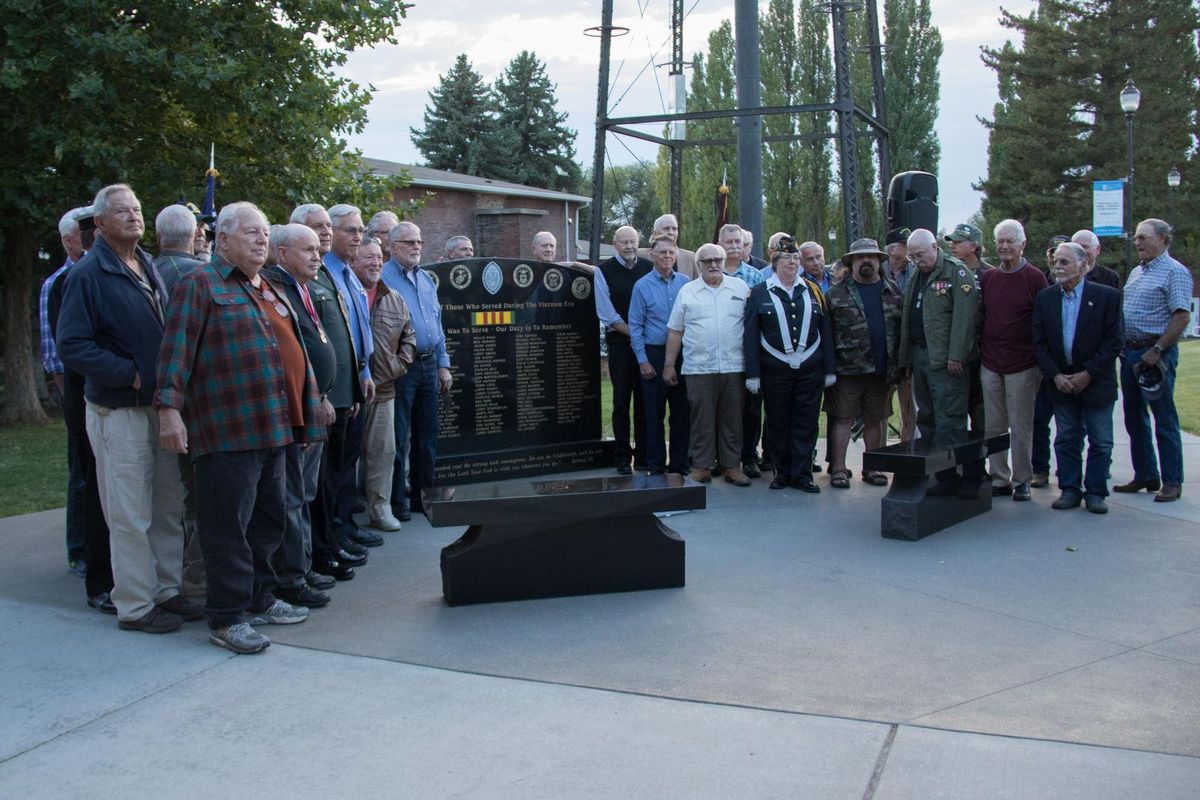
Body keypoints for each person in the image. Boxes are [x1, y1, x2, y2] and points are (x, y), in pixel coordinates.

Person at [158, 201, 326, 653]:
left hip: (276, 427)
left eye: (264, 234)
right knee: (226, 527)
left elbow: (293, 354)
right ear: (223, 239)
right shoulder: (199, 284)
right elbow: (175, 354)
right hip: (227, 429)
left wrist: (309, 413)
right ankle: (227, 617)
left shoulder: (264, 287)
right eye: (250, 232)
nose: (260, 240)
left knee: (269, 521)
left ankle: (260, 596)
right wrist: (169, 410)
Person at [57, 184, 198, 634]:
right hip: (119, 410)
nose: (134, 217)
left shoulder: (148, 263)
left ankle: (167, 591)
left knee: (165, 504)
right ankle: (136, 605)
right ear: (99, 224)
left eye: (137, 209)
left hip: (159, 407)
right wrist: (129, 373)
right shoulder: (87, 275)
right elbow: (72, 345)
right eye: (122, 211)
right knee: (130, 512)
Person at [291, 203, 370, 571]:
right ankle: (322, 549)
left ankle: (334, 539)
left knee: (338, 475)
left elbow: (345, 336)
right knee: (319, 485)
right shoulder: (300, 278)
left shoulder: (327, 273)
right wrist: (321, 394)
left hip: (344, 392)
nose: (323, 234)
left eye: (326, 227)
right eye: (316, 228)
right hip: (322, 398)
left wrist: (357, 379)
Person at [267, 223, 342, 605]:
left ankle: (303, 566)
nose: (317, 255)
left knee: (304, 494)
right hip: (295, 410)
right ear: (281, 253)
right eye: (308, 249)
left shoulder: (302, 287)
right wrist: (315, 396)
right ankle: (289, 577)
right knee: (290, 498)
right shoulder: (274, 288)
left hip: (315, 403)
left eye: (318, 249)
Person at [1032, 242, 1123, 513]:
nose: (1057, 267)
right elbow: (1039, 343)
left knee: (1100, 439)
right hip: (1061, 383)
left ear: (1083, 266)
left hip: (1096, 383)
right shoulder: (1046, 298)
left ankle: (1095, 492)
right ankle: (1070, 489)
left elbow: (1113, 341)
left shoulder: (1107, 297)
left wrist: (1088, 373)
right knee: (1066, 437)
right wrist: (1056, 375)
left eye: (1064, 262)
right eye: (1055, 262)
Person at [898, 229, 984, 499]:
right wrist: (906, 359)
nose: (916, 260)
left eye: (920, 254)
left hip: (947, 361)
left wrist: (957, 354)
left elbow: (965, 318)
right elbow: (908, 318)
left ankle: (969, 477)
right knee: (929, 420)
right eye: (911, 257)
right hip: (921, 356)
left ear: (935, 247)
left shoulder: (955, 273)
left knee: (952, 422)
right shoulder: (917, 276)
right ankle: (944, 476)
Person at [1114, 219, 1193, 502]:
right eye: (1136, 238)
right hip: (1131, 353)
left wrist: (1158, 349)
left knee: (1164, 418)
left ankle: (1172, 481)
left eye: (1143, 238)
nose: (1138, 242)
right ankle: (1146, 473)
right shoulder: (1137, 272)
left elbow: (1182, 316)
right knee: (1134, 418)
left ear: (1162, 239)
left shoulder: (1174, 272)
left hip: (1156, 354)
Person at [744, 242, 833, 492]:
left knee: (806, 422)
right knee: (777, 422)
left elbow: (825, 332)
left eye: (796, 258)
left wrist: (829, 369)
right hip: (775, 371)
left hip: (810, 370)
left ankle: (802, 474)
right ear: (775, 262)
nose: (792, 262)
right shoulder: (760, 292)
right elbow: (750, 336)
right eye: (787, 257)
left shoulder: (814, 291)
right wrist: (753, 374)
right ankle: (781, 473)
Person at [663, 244, 750, 486]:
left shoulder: (741, 289)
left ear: (724, 261)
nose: (713, 264)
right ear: (699, 264)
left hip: (734, 366)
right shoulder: (688, 292)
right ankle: (702, 466)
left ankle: (732, 466)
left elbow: (752, 328)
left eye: (717, 259)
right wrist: (669, 365)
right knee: (701, 419)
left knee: (733, 419)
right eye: (707, 260)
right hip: (699, 368)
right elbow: (675, 330)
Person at [382, 222, 452, 517]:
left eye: (419, 241)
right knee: (398, 437)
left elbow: (436, 326)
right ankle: (397, 502)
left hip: (428, 365)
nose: (416, 246)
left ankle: (424, 496)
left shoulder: (426, 280)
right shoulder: (382, 277)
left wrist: (443, 364)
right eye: (409, 241)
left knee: (427, 435)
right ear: (392, 246)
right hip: (401, 368)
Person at [978, 219, 1049, 501]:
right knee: (994, 426)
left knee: (1021, 426)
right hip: (991, 362)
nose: (1005, 246)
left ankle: (1022, 480)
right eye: (1000, 242)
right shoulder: (989, 278)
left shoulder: (1034, 278)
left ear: (1023, 244)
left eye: (1010, 241)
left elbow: (1043, 322)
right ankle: (999, 477)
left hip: (1023, 364)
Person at [825, 238, 902, 488]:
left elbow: (901, 330)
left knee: (875, 418)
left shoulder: (893, 291)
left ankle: (873, 468)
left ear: (880, 261)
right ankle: (838, 468)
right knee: (843, 419)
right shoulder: (835, 293)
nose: (866, 260)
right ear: (852, 262)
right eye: (860, 257)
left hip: (881, 369)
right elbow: (827, 334)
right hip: (847, 369)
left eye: (872, 257)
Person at [353, 237, 416, 529]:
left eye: (378, 258)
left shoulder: (394, 297)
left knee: (383, 454)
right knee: (346, 461)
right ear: (353, 260)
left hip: (384, 391)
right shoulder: (345, 293)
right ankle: (348, 514)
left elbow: (409, 336)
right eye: (368, 257)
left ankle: (380, 510)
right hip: (350, 393)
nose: (375, 263)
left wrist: (397, 366)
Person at [41, 206, 89, 575]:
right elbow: (57, 356)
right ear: (68, 239)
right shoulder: (59, 283)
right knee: (82, 475)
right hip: (80, 396)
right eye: (83, 233)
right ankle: (80, 550)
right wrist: (72, 401)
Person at [628, 234, 691, 475]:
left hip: (682, 356)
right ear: (652, 256)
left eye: (670, 252)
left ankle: (680, 464)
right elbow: (635, 326)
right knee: (653, 414)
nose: (667, 256)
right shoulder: (642, 286)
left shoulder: (685, 283)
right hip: (653, 355)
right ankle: (655, 464)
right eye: (662, 252)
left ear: (676, 255)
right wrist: (642, 360)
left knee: (681, 413)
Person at [593, 225, 653, 474]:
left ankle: (642, 457)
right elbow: (607, 314)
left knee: (643, 402)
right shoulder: (603, 271)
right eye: (624, 242)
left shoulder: (648, 268)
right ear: (615, 244)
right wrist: (636, 334)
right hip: (620, 345)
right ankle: (621, 457)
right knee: (620, 403)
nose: (629, 246)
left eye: (633, 242)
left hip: (647, 347)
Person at [718, 223, 767, 477]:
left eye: (738, 242)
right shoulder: (711, 274)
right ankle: (723, 458)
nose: (735, 246)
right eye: (729, 242)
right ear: (720, 245)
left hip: (748, 353)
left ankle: (749, 456)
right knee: (723, 408)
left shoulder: (755, 277)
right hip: (719, 353)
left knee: (750, 409)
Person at [154, 204, 206, 295]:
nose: (201, 232)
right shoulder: (207, 272)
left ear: (158, 237)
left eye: (202, 226)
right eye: (198, 226)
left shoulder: (143, 271)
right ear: (195, 233)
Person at [637, 214, 697, 278]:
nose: (671, 232)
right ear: (654, 234)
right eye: (666, 228)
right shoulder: (640, 255)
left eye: (674, 229)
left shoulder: (690, 258)